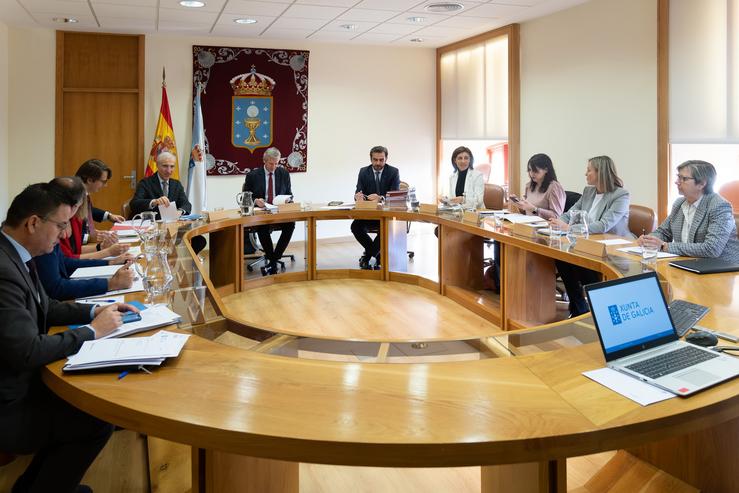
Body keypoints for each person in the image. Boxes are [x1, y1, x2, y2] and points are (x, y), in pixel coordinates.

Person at [0, 182, 138, 493]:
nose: (65, 235)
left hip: (20, 383)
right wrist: (93, 332)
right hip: (9, 403)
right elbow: (26, 351)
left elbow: (44, 306)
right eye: (61, 226)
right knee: (95, 419)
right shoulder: (4, 269)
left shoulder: (15, 252)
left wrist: (95, 311)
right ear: (33, 223)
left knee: (86, 406)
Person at [549, 155, 631, 317]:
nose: (585, 174)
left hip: (612, 248)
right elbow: (571, 213)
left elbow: (604, 225)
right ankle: (579, 307)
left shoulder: (621, 195)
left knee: (576, 259)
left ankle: (600, 308)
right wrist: (558, 221)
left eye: (589, 170)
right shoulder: (589, 191)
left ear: (600, 173)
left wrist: (569, 227)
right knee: (561, 256)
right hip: (586, 243)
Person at [35, 177, 134, 301]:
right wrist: (110, 283)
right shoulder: (45, 232)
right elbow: (56, 288)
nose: (62, 234)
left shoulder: (61, 223)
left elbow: (64, 262)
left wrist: (110, 262)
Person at [638, 160, 739, 262]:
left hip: (722, 270)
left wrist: (665, 246)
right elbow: (663, 232)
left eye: (684, 179)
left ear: (702, 183)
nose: (677, 181)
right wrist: (649, 240)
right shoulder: (679, 203)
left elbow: (712, 249)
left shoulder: (719, 206)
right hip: (690, 264)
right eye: (678, 177)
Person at [243, 147, 295, 275]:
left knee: (290, 224)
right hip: (262, 212)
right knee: (263, 228)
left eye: (277, 163)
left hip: (278, 211)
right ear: (264, 161)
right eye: (271, 163)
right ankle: (273, 261)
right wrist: (256, 201)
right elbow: (246, 196)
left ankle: (273, 259)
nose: (274, 166)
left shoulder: (284, 173)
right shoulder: (253, 175)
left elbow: (289, 194)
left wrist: (287, 200)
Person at [351, 145, 400, 270]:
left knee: (386, 227)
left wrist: (381, 198)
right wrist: (358, 197)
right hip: (368, 214)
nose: (378, 163)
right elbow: (358, 192)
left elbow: (396, 197)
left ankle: (367, 256)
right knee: (355, 226)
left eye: (381, 160)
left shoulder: (393, 172)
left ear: (386, 159)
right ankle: (378, 256)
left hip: (385, 215)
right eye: (375, 160)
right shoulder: (363, 172)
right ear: (371, 159)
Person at [74, 158, 125, 244]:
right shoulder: (74, 198)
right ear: (89, 180)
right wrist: (89, 237)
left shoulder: (82, 193)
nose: (105, 185)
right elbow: (72, 237)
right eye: (103, 181)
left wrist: (109, 216)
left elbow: (89, 210)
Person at [130, 151, 192, 218]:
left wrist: (180, 211)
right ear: (157, 165)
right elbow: (134, 204)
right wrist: (154, 202)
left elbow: (186, 204)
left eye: (172, 166)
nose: (169, 171)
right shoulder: (145, 183)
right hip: (150, 223)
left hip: (170, 224)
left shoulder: (176, 184)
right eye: (165, 166)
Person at [509, 153, 565, 219]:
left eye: (535, 170)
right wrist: (520, 205)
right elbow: (527, 212)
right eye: (529, 170)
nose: (531, 173)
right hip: (529, 224)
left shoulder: (554, 187)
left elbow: (557, 216)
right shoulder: (529, 186)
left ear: (546, 170)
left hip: (546, 227)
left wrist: (534, 209)